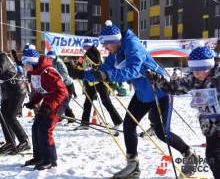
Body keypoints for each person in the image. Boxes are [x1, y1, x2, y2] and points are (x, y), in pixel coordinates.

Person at [83, 20, 195, 178]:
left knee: (162, 133)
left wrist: (107, 76)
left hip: (160, 91)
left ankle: (189, 155)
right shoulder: (115, 53)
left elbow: (133, 71)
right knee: (128, 126)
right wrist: (85, 75)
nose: (105, 48)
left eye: (106, 44)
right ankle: (133, 166)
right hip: (142, 94)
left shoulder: (133, 45)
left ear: (116, 41)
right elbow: (104, 68)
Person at [149, 46, 220, 178]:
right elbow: (173, 87)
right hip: (210, 128)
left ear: (210, 67)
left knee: (215, 157)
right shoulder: (193, 79)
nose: (197, 74)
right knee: (213, 156)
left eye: (201, 70)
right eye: (194, 70)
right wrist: (158, 79)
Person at [22, 48, 68, 170]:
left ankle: (50, 160)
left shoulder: (48, 72)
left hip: (59, 100)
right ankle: (39, 157)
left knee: (45, 129)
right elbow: (41, 90)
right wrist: (33, 102)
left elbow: (61, 92)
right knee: (36, 127)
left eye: (25, 64)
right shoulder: (35, 72)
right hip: (49, 100)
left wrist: (51, 107)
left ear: (31, 62)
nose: (24, 67)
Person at [69, 38, 123, 130]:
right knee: (87, 102)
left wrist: (87, 60)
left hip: (99, 81)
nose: (85, 48)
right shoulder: (84, 56)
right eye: (84, 46)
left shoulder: (95, 52)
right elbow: (79, 66)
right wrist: (75, 67)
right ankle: (85, 123)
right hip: (90, 82)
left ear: (90, 46)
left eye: (87, 46)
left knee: (106, 101)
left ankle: (118, 121)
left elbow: (97, 62)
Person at [46, 50, 76, 123]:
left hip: (67, 85)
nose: (50, 59)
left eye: (51, 58)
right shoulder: (49, 63)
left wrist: (58, 81)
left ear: (55, 57)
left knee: (64, 102)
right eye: (49, 58)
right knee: (63, 102)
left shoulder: (59, 63)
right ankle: (70, 118)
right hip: (59, 86)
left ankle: (58, 117)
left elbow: (65, 74)